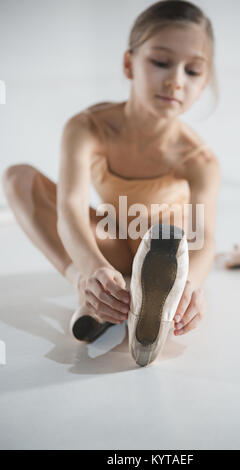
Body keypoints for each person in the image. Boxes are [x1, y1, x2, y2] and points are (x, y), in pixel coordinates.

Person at [2, 0, 221, 338]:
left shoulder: (199, 160)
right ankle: (91, 288)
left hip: (164, 257)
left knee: (167, 243)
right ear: (129, 64)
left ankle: (147, 297)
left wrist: (191, 286)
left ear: (204, 82)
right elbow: (70, 210)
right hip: (112, 243)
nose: (176, 81)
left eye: (192, 71)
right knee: (17, 176)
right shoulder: (87, 127)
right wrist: (90, 269)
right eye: (161, 62)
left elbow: (202, 237)